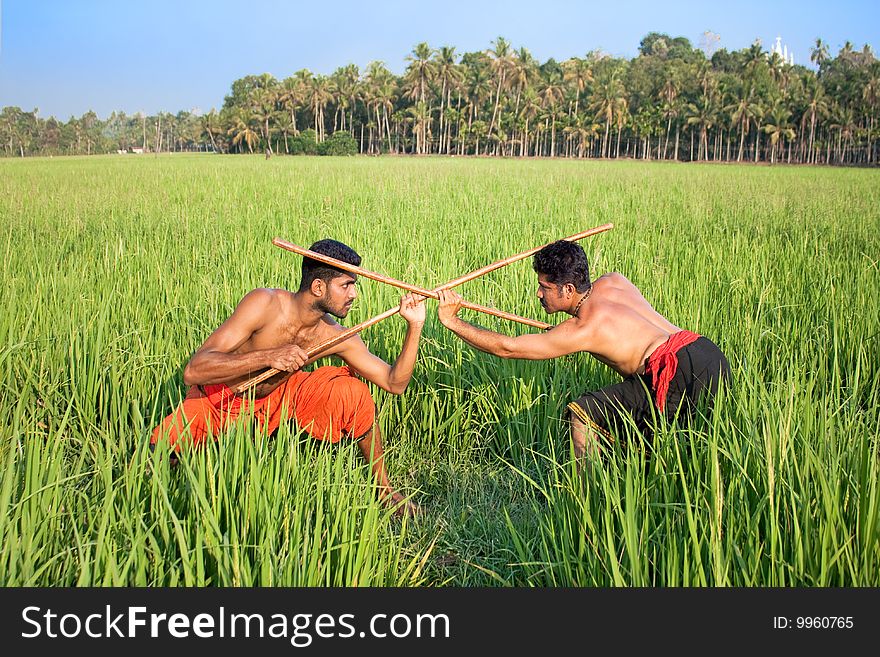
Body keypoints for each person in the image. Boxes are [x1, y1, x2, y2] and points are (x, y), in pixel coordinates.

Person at [151, 239, 425, 516]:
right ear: (318, 286)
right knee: (160, 453)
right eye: (346, 285)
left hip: (280, 396)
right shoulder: (265, 303)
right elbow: (194, 370)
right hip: (222, 396)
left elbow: (395, 383)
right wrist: (267, 357)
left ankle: (384, 490)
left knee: (352, 393)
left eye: (354, 285)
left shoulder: (335, 336)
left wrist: (415, 325)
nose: (353, 294)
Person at [437, 240, 729, 464]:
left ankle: (585, 502)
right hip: (707, 353)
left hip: (675, 373)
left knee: (584, 415)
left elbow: (508, 348)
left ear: (566, 289)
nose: (538, 294)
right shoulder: (614, 282)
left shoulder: (585, 328)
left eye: (543, 287)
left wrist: (452, 320)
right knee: (687, 444)